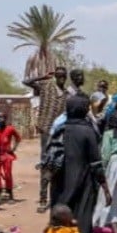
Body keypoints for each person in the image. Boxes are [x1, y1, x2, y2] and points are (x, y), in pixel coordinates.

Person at [59, 96, 112, 233]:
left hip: (61, 190)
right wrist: (106, 189)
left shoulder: (59, 129)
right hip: (83, 188)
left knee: (60, 231)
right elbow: (96, 165)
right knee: (82, 232)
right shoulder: (87, 131)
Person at [24, 67, 70, 213]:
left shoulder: (67, 95)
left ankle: (56, 197)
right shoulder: (45, 87)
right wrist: (42, 77)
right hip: (46, 130)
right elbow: (26, 81)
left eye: (64, 76)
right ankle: (43, 199)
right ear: (55, 77)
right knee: (46, 163)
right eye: (59, 76)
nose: (62, 79)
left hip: (60, 133)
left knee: (58, 163)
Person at [0, 111, 21, 204]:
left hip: (7, 155)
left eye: (2, 117)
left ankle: (10, 195)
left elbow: (18, 138)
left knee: (7, 175)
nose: (1, 119)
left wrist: (13, 149)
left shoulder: (10, 129)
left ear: (5, 119)